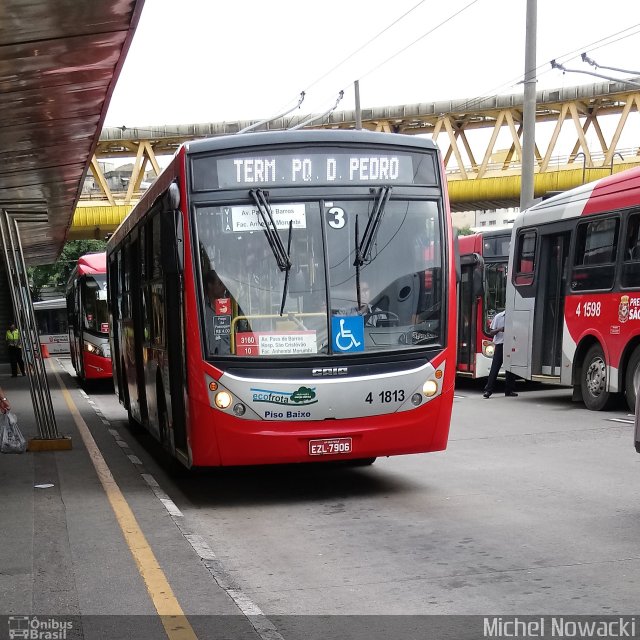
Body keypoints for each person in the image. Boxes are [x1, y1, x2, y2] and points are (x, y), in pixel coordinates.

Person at [483, 309, 518, 398]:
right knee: (495, 368)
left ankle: (509, 390)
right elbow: (491, 332)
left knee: (510, 369)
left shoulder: (516, 316)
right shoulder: (499, 317)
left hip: (511, 344)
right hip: (500, 345)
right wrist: (500, 329)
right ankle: (488, 390)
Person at [204, 270, 232, 355]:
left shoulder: (228, 306)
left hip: (227, 357)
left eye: (224, 283)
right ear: (210, 285)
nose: (223, 287)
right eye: (220, 283)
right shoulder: (202, 309)